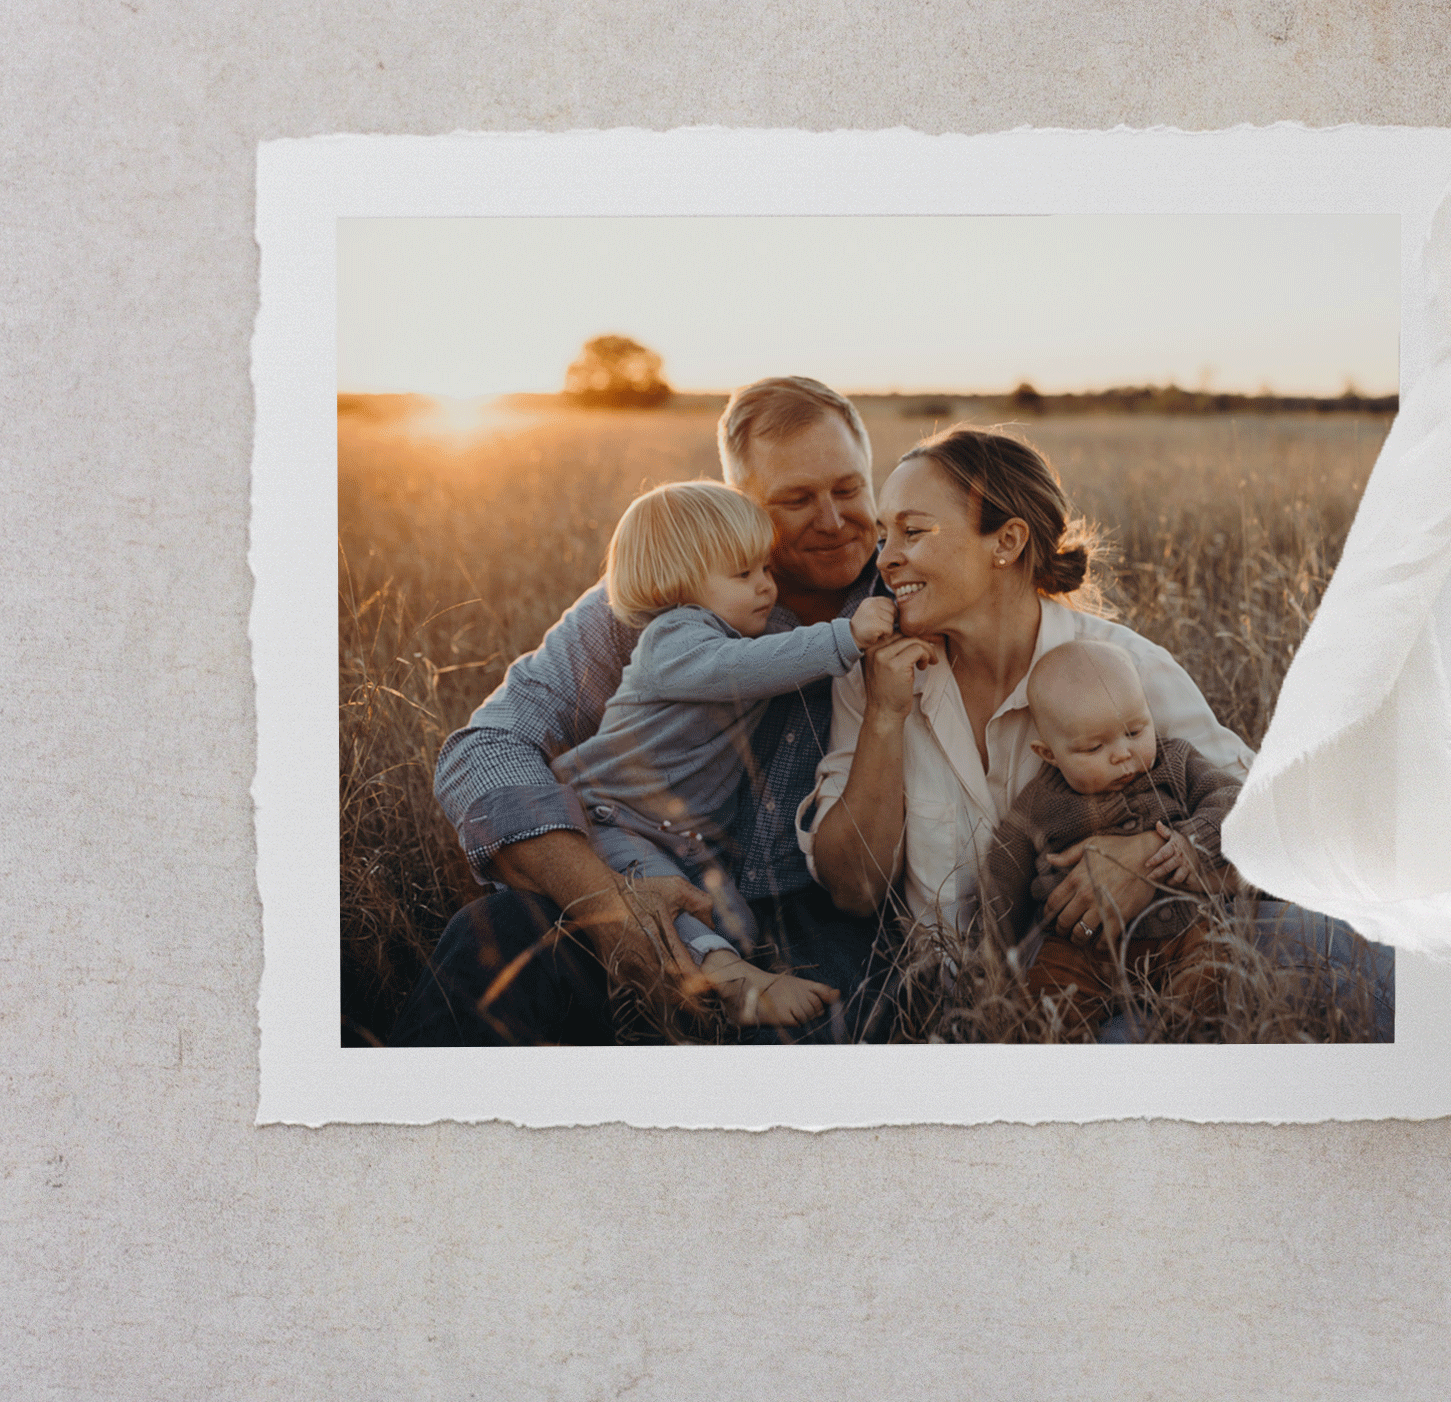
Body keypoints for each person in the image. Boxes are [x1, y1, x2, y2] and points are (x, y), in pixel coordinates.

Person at [802, 425, 1395, 1041]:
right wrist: (886, 716)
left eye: (913, 532)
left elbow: (1279, 830)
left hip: (1157, 966)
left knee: (1354, 949)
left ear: (1006, 542)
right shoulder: (875, 679)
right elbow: (854, 891)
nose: (884, 559)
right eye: (884, 535)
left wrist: (1150, 862)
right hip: (994, 1008)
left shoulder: (1124, 669)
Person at [388, 375, 888, 1045]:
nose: (832, 520)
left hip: (824, 912)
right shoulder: (661, 597)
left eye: (850, 489)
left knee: (833, 1028)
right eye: (796, 500)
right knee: (497, 938)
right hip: (635, 867)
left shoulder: (914, 589)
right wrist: (606, 902)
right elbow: (485, 749)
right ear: (739, 504)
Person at [552, 478, 897, 1029]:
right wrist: (845, 637)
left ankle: (696, 998)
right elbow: (746, 669)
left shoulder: (726, 634)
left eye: (766, 569)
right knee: (664, 904)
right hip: (613, 816)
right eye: (743, 575)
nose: (766, 586)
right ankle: (732, 981)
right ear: (673, 584)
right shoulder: (674, 639)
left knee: (737, 924)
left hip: (683, 834)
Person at [977, 636, 1244, 956]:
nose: (1122, 754)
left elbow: (1234, 798)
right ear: (1049, 755)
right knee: (1052, 984)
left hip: (1186, 930)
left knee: (1209, 972)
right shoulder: (1039, 803)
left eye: (1134, 732)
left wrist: (1191, 841)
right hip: (1077, 948)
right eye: (1094, 748)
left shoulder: (1174, 762)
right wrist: (987, 956)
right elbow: (1003, 879)